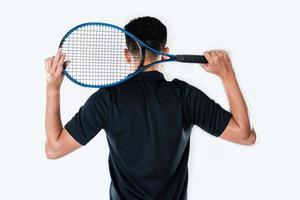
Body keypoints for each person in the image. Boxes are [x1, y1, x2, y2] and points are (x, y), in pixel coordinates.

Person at [44, 16, 256, 200]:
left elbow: (54, 149)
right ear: (164, 52)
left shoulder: (107, 99)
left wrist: (53, 88)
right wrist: (227, 74)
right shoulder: (185, 96)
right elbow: (245, 135)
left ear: (127, 54)